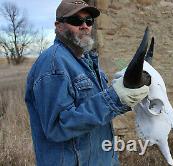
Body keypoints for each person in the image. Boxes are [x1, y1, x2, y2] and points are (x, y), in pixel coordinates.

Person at [24, 0, 149, 166]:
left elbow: (97, 108)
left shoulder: (86, 59)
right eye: (76, 21)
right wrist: (114, 98)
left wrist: (126, 91)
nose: (85, 26)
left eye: (89, 21)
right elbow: (58, 126)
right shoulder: (53, 64)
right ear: (58, 25)